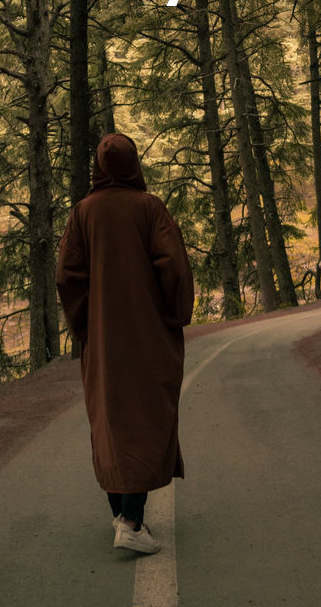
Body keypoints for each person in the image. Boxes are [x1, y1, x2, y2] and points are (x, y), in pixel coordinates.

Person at [56, 132, 195, 555]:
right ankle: (132, 522)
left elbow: (67, 278)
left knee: (111, 420)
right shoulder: (149, 209)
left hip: (103, 339)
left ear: (98, 168)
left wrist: (86, 326)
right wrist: (174, 316)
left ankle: (122, 515)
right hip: (148, 334)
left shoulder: (82, 213)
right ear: (134, 164)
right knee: (147, 416)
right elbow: (174, 267)